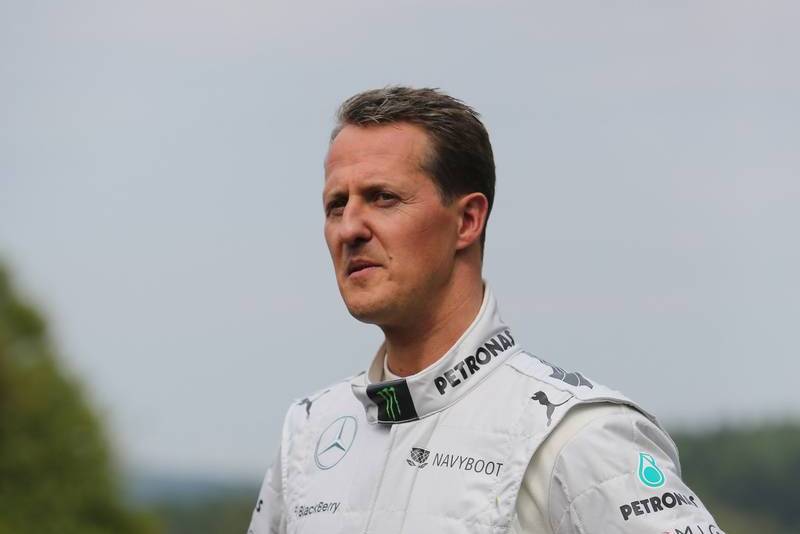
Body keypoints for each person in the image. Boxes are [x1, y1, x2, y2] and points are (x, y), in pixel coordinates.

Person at [247, 87, 723, 534]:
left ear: (468, 221)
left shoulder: (576, 435)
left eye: (382, 198)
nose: (349, 228)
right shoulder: (308, 434)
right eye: (336, 205)